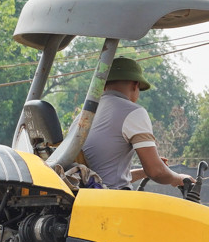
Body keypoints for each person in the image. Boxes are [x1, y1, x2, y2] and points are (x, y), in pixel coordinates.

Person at [81, 57, 193, 190]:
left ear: (104, 85)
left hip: (87, 198)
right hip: (113, 201)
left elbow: (103, 177)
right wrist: (179, 178)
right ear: (135, 85)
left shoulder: (85, 115)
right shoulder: (133, 112)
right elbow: (156, 172)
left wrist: (143, 171)